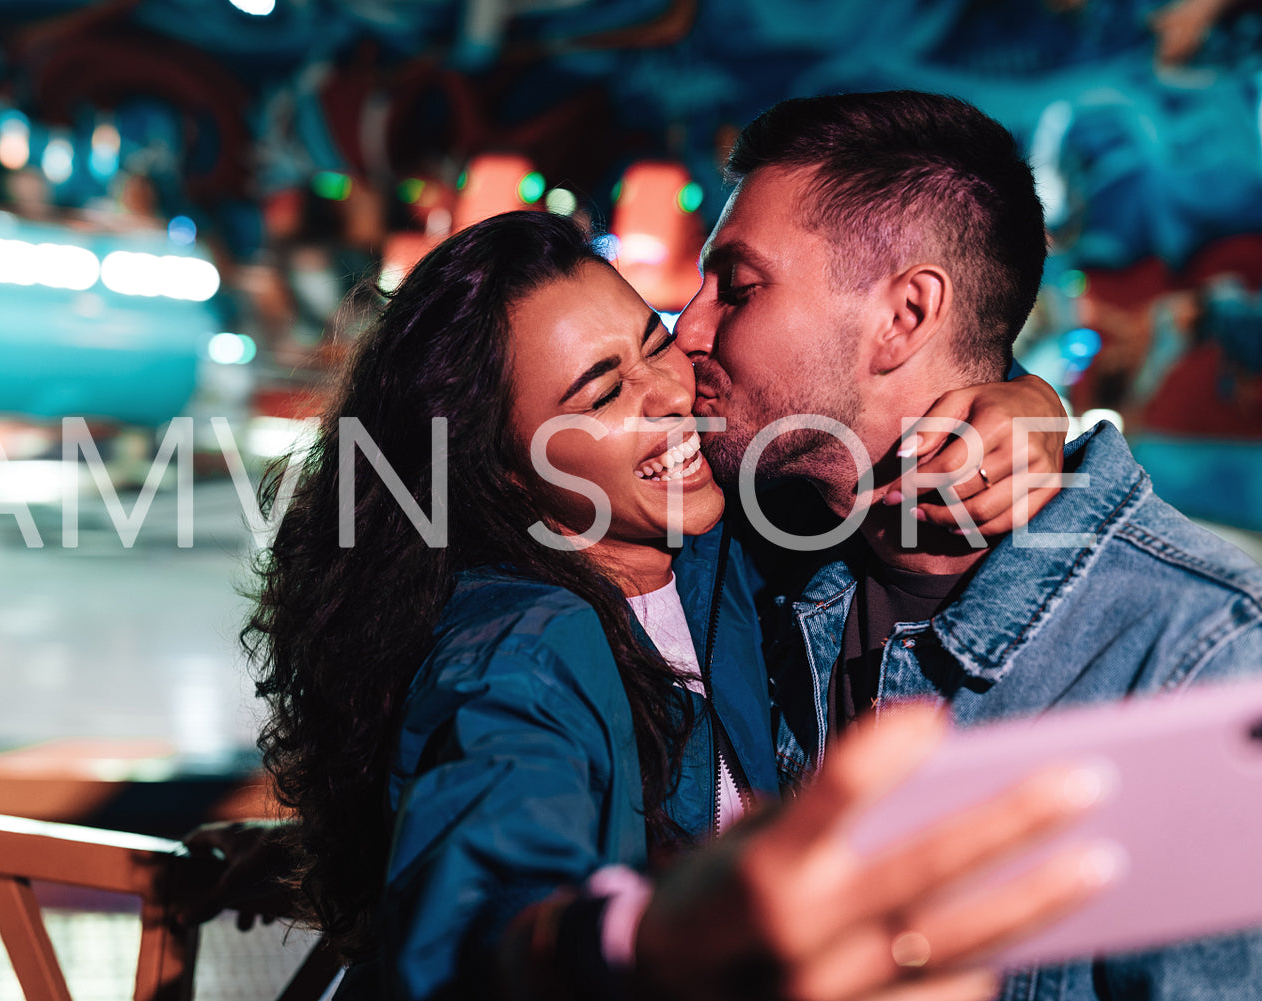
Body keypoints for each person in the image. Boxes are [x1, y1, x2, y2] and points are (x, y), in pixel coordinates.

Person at [235, 209, 1107, 1001]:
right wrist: (637, 943)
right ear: (505, 469)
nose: (670, 391)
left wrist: (1025, 401)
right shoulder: (519, 646)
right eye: (603, 392)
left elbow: (871, 395)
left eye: (652, 344)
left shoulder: (706, 541)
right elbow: (478, 902)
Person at [665, 89, 1262, 1000]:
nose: (689, 326)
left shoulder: (1207, 653)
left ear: (906, 314)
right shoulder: (753, 535)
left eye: (739, 286)